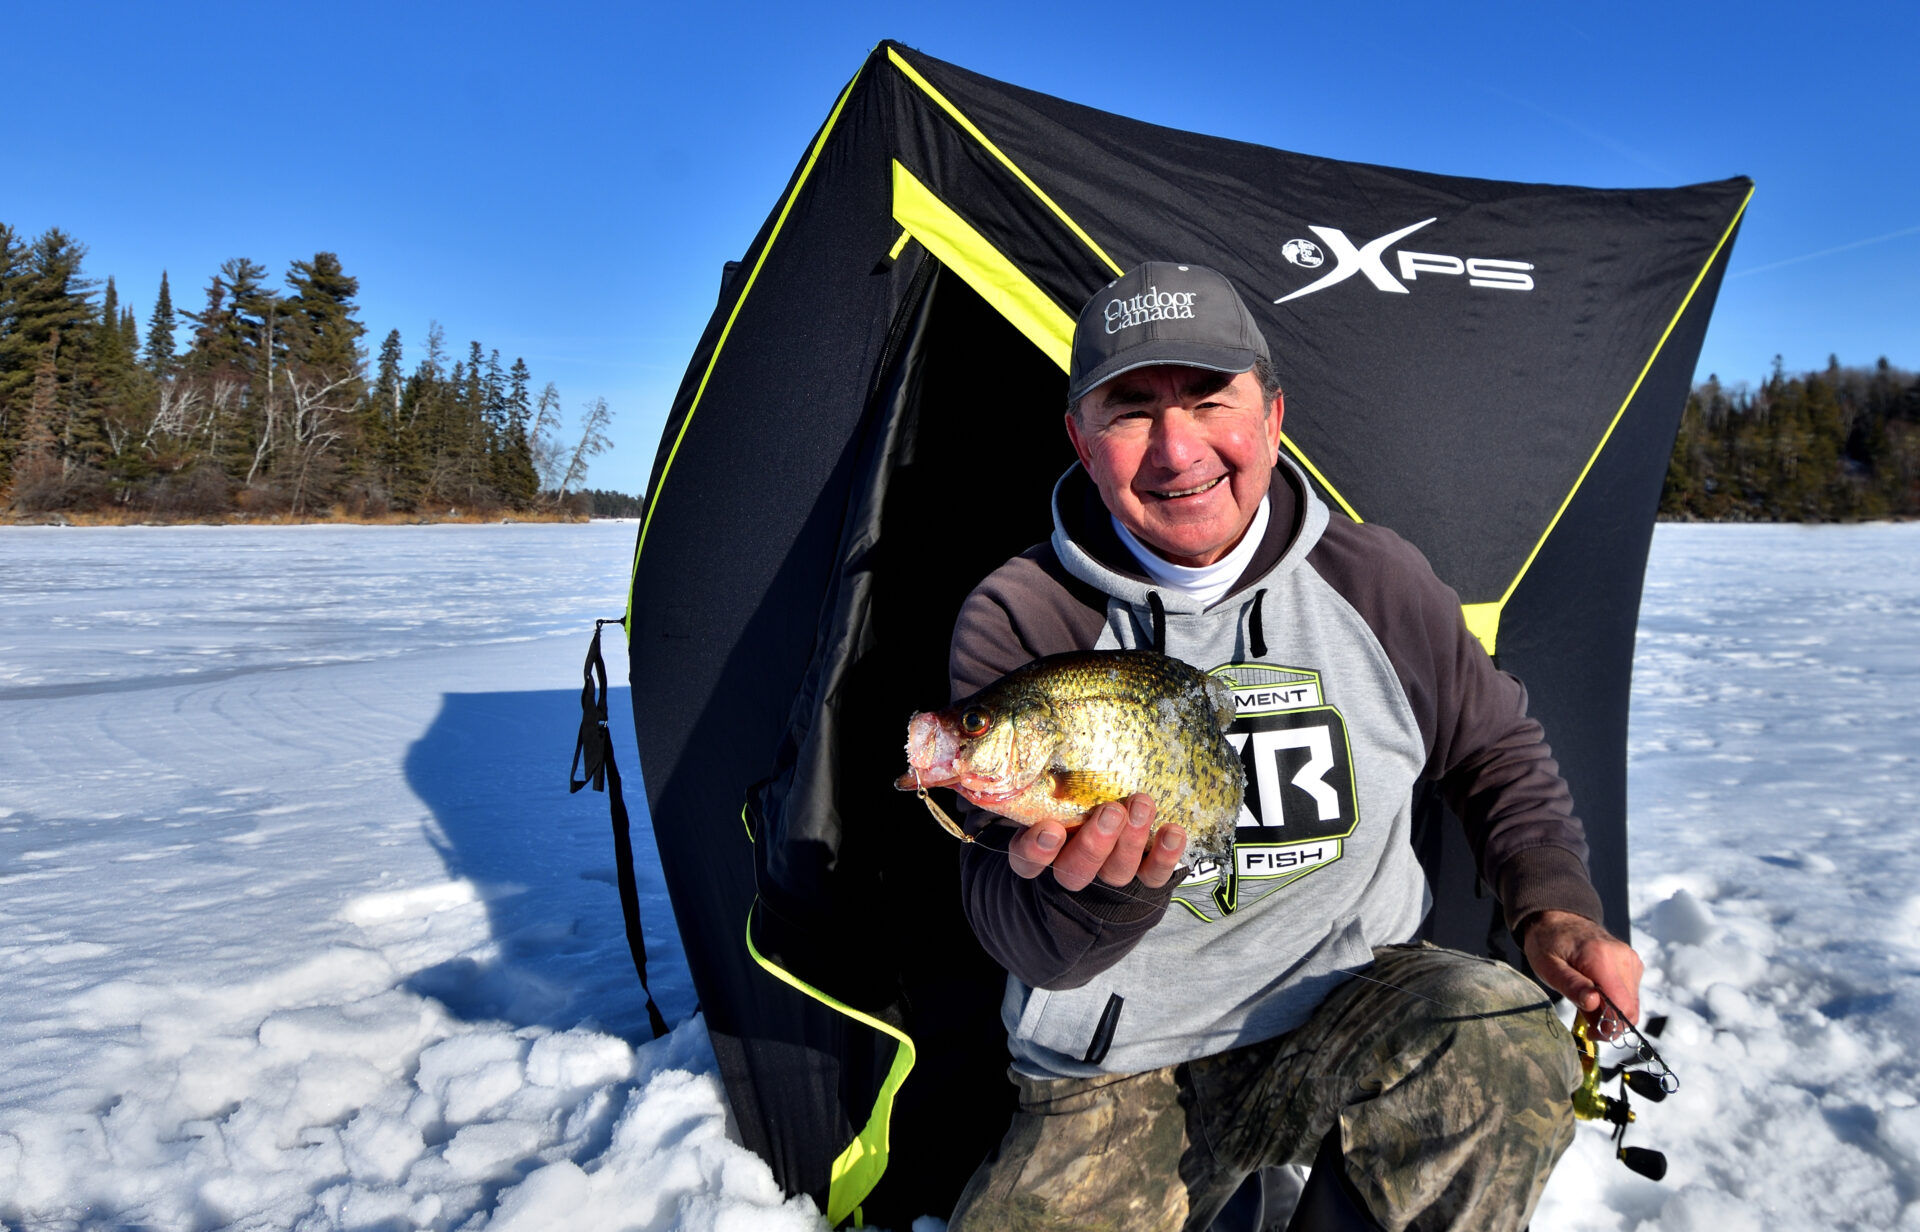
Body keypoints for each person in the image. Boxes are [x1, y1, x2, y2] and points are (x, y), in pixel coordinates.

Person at [942, 262, 1644, 1232]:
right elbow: (1002, 913)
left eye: (1208, 397)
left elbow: (1497, 749)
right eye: (1131, 409)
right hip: (1119, 1068)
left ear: (1272, 415)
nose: (1176, 447)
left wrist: (1555, 906)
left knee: (1505, 1044)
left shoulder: (1378, 582)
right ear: (1080, 439)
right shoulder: (1023, 617)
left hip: (1349, 1012)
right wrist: (1102, 890)